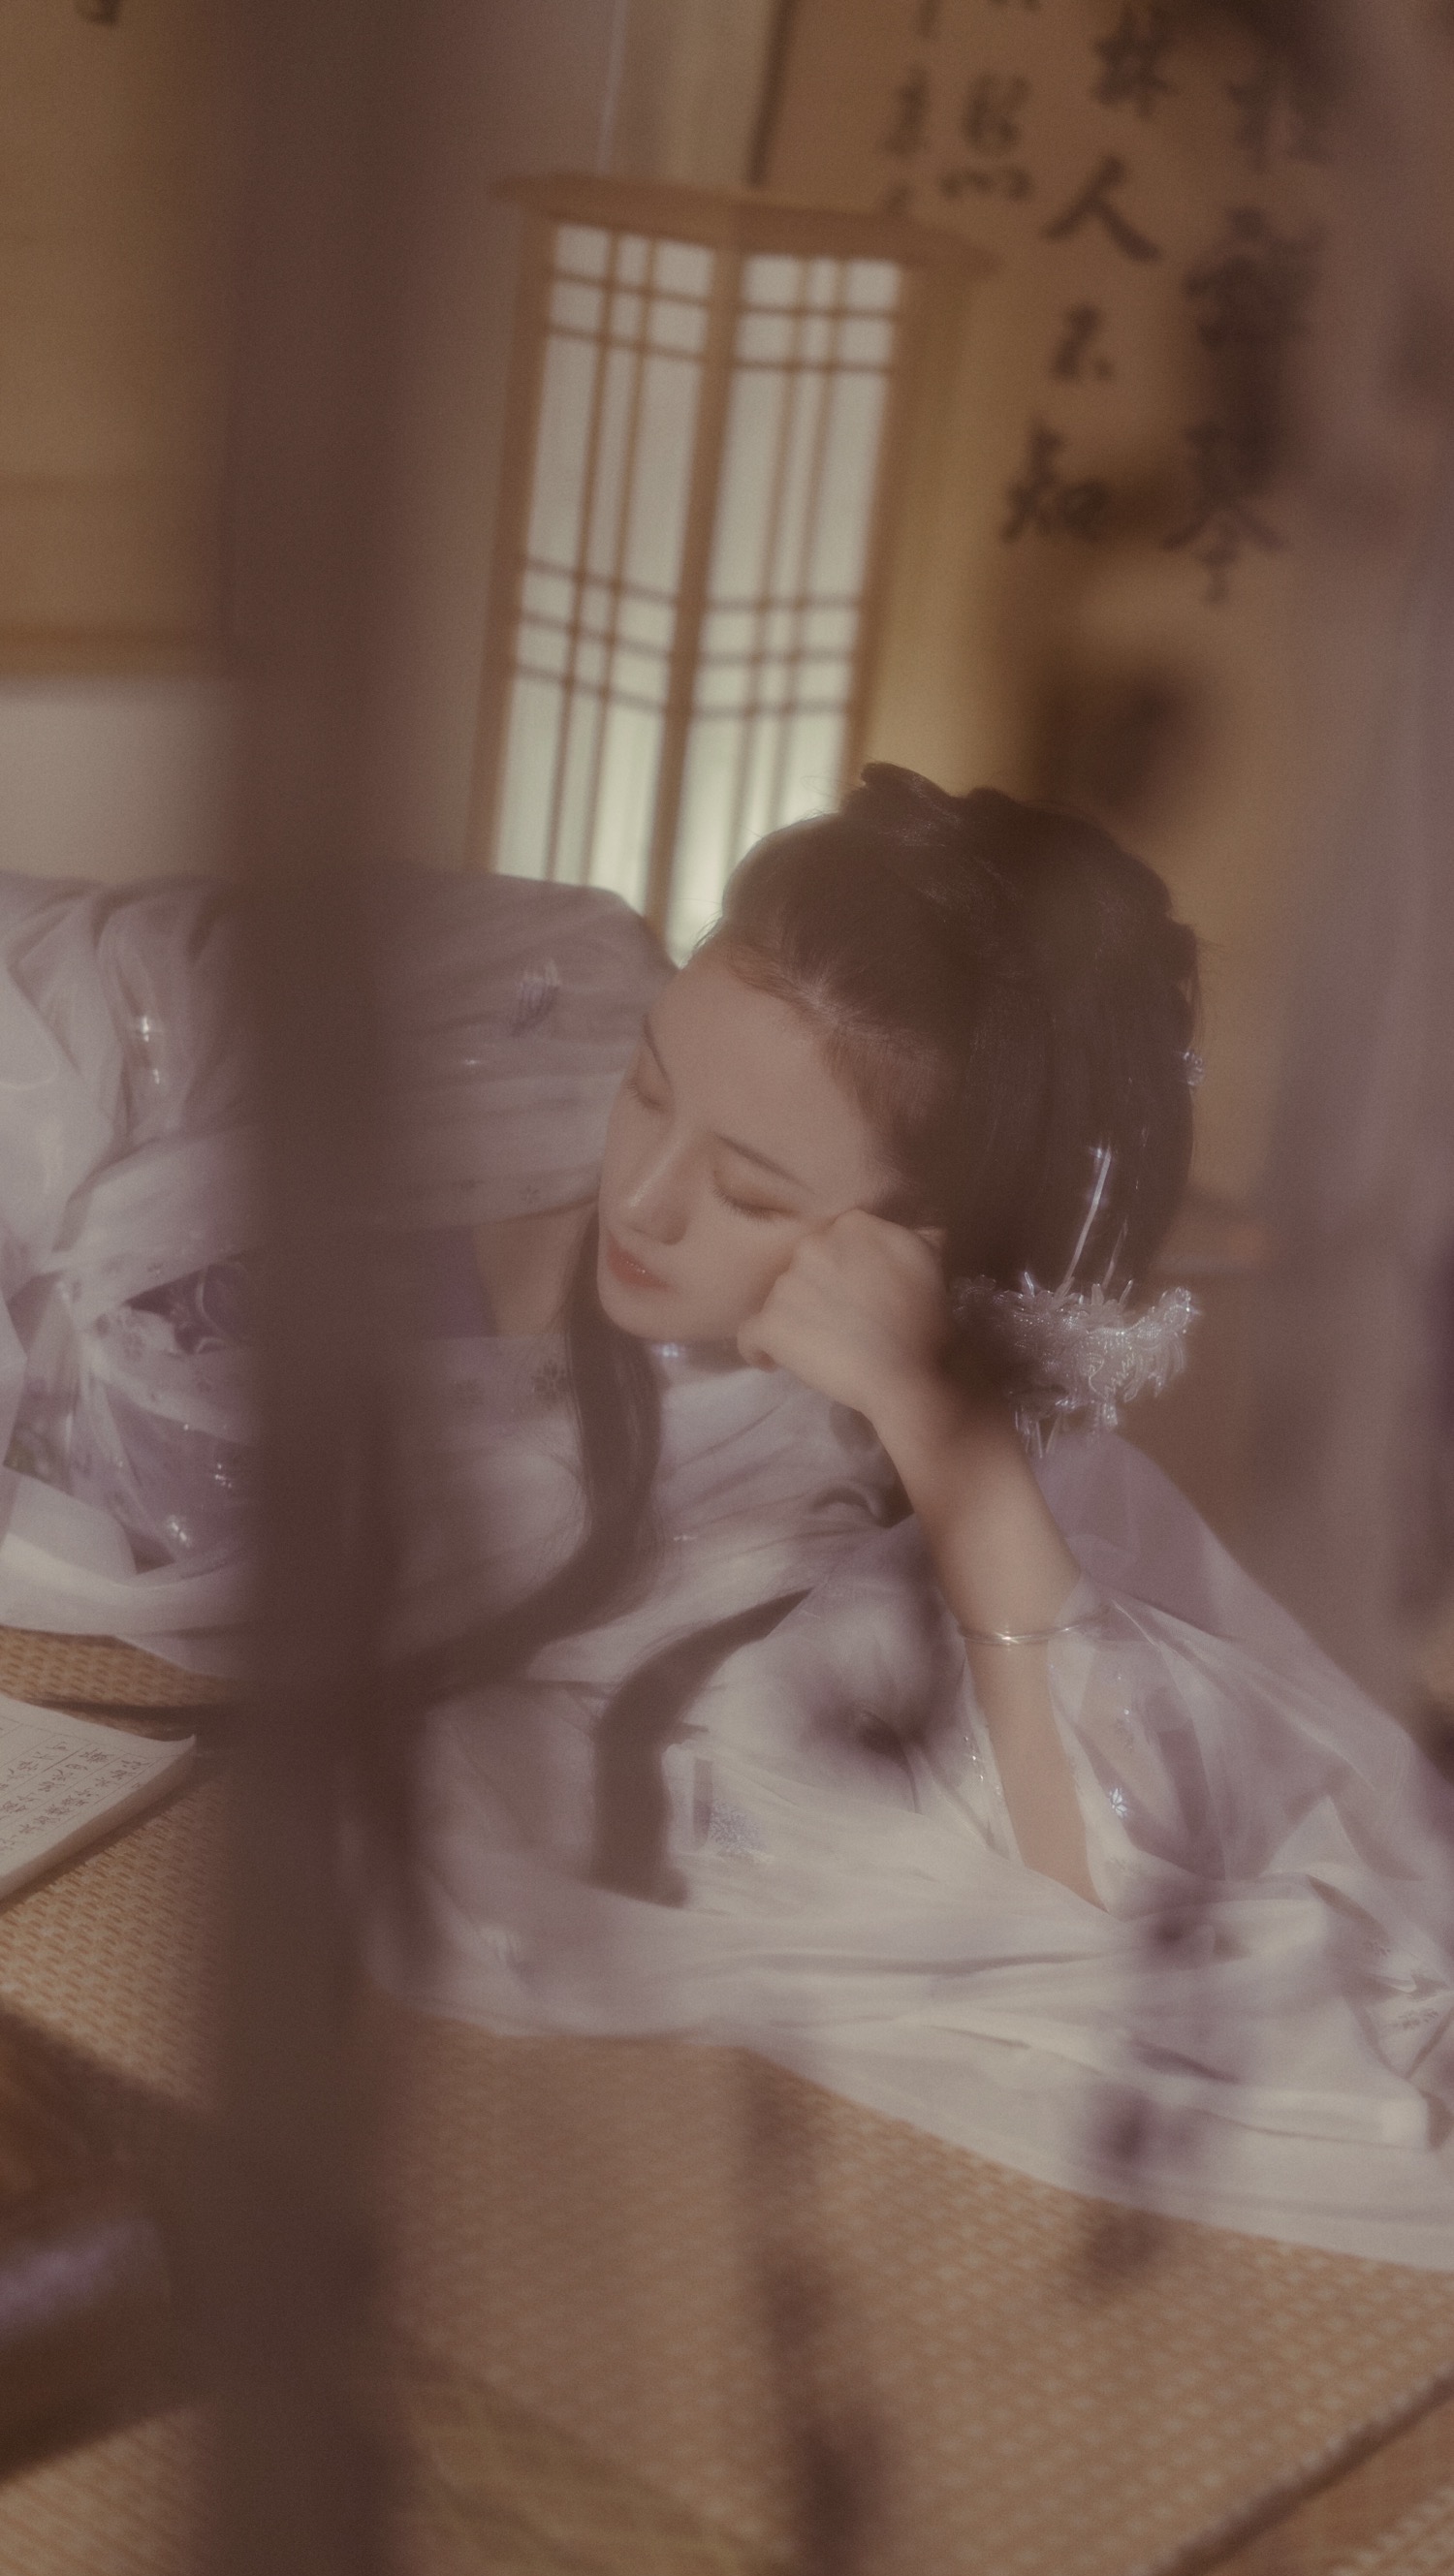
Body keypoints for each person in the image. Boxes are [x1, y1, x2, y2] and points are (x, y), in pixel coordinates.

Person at [2, 770, 1453, 2266]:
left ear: (917, 1254)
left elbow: (1108, 1883)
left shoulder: (785, 1486)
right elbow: (69, 1000)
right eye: (648, 1085)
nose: (642, 1197)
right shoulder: (530, 992)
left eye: (753, 1193)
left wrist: (946, 1439)